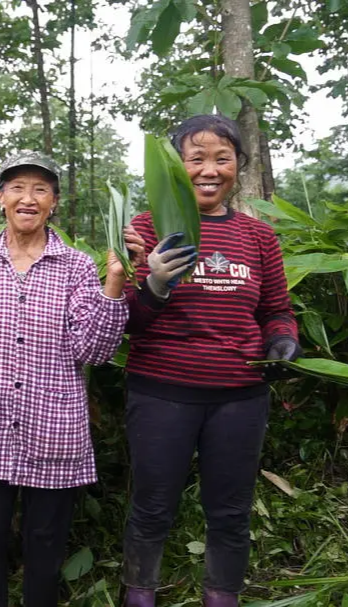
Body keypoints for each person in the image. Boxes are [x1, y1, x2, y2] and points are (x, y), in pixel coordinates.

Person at [120, 114, 300, 607]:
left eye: (222, 158)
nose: (209, 169)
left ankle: (222, 597)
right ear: (177, 167)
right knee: (153, 506)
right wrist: (155, 282)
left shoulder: (258, 237)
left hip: (240, 396)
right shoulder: (145, 227)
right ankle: (139, 594)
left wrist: (282, 340)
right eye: (196, 158)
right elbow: (126, 320)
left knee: (230, 510)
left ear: (238, 166)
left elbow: (276, 310)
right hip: (162, 393)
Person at [0, 150, 131, 606]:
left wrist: (116, 281)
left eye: (40, 189)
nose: (29, 198)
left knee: (45, 545)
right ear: (0, 197)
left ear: (54, 203)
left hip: (54, 429)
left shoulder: (79, 267)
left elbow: (94, 350)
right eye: (18, 188)